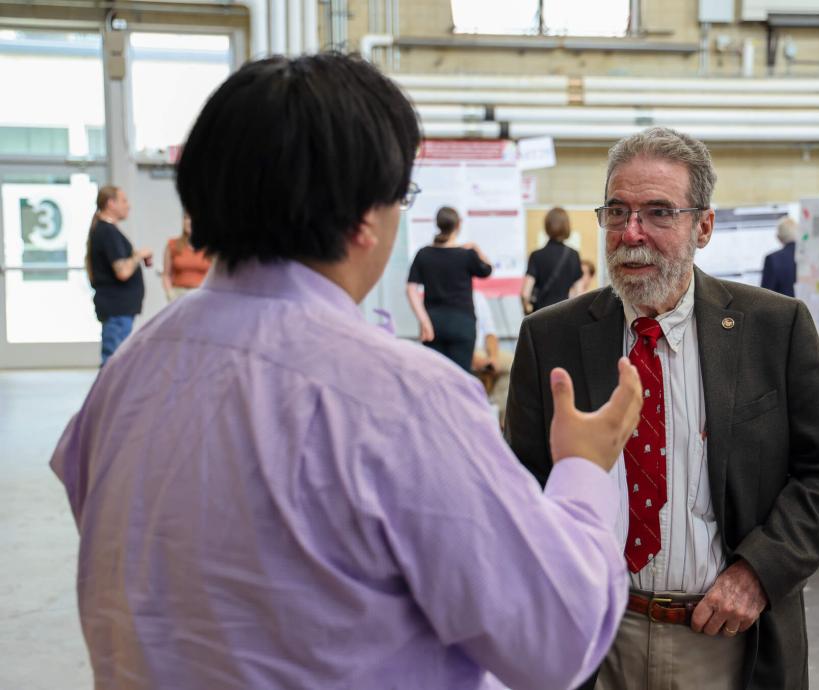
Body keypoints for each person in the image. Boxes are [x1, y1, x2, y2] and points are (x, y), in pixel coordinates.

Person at [50, 53, 646, 690]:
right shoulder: (400, 400)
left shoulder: (127, 374)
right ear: (367, 217)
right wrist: (585, 468)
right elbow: (556, 638)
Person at [505, 127, 819, 690]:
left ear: (705, 226)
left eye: (658, 212)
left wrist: (758, 574)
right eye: (616, 211)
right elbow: (518, 483)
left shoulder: (773, 328)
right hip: (595, 642)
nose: (631, 234)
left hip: (727, 641)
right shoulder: (551, 338)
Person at [406, 206, 493, 371]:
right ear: (458, 225)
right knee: (461, 378)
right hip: (462, 324)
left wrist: (424, 320)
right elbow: (487, 269)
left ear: (437, 224)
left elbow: (411, 289)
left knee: (434, 378)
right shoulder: (466, 255)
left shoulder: (423, 254)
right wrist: (476, 248)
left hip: (433, 325)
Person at [85, 185, 152, 365]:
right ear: (111, 203)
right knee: (113, 361)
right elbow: (122, 271)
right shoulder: (107, 232)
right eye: (124, 201)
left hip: (118, 308)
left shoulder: (104, 230)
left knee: (117, 360)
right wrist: (138, 256)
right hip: (117, 308)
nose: (128, 206)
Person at [521, 207, 583, 314]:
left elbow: (525, 294)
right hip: (564, 315)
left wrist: (527, 311)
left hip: (540, 316)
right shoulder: (573, 255)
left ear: (546, 226)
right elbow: (579, 293)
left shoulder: (536, 256)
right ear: (566, 226)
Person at [471, 290, 513, 421]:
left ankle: (501, 421)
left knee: (515, 364)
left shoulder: (477, 296)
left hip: (484, 350)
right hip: (468, 350)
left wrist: (494, 357)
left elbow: (490, 332)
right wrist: (475, 359)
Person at [161, 212, 212, 301]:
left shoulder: (210, 248)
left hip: (203, 295)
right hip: (179, 295)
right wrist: (170, 294)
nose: (189, 222)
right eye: (186, 218)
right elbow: (166, 274)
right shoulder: (172, 245)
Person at [760, 216, 798, 297]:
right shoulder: (809, 257)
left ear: (778, 237)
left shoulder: (772, 259)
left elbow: (765, 296)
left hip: (784, 308)